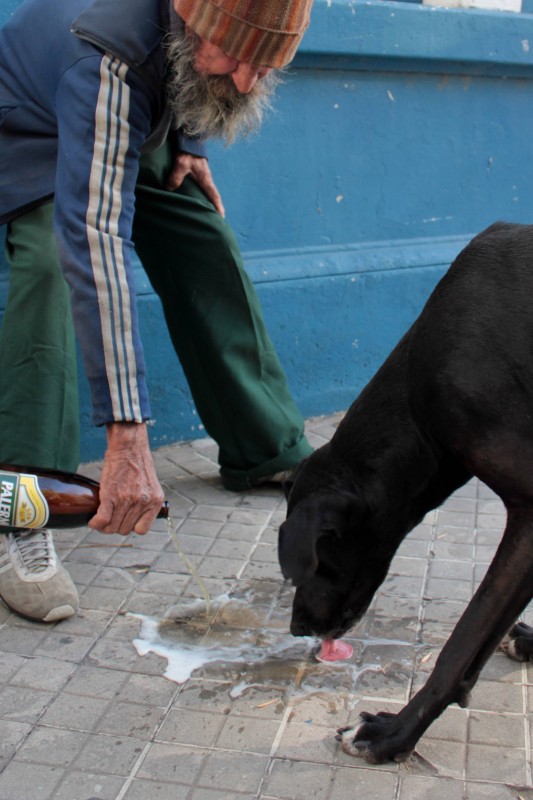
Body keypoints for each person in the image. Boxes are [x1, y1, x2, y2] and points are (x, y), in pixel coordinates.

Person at [0, 0, 314, 622]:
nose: (249, 81)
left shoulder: (204, 27)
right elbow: (96, 241)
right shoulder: (109, 58)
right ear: (191, 20)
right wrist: (127, 433)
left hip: (123, 122)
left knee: (206, 238)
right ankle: (20, 509)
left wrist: (188, 137)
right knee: (52, 264)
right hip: (33, 132)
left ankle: (266, 449)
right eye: (237, 57)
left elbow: (186, 70)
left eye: (266, 65)